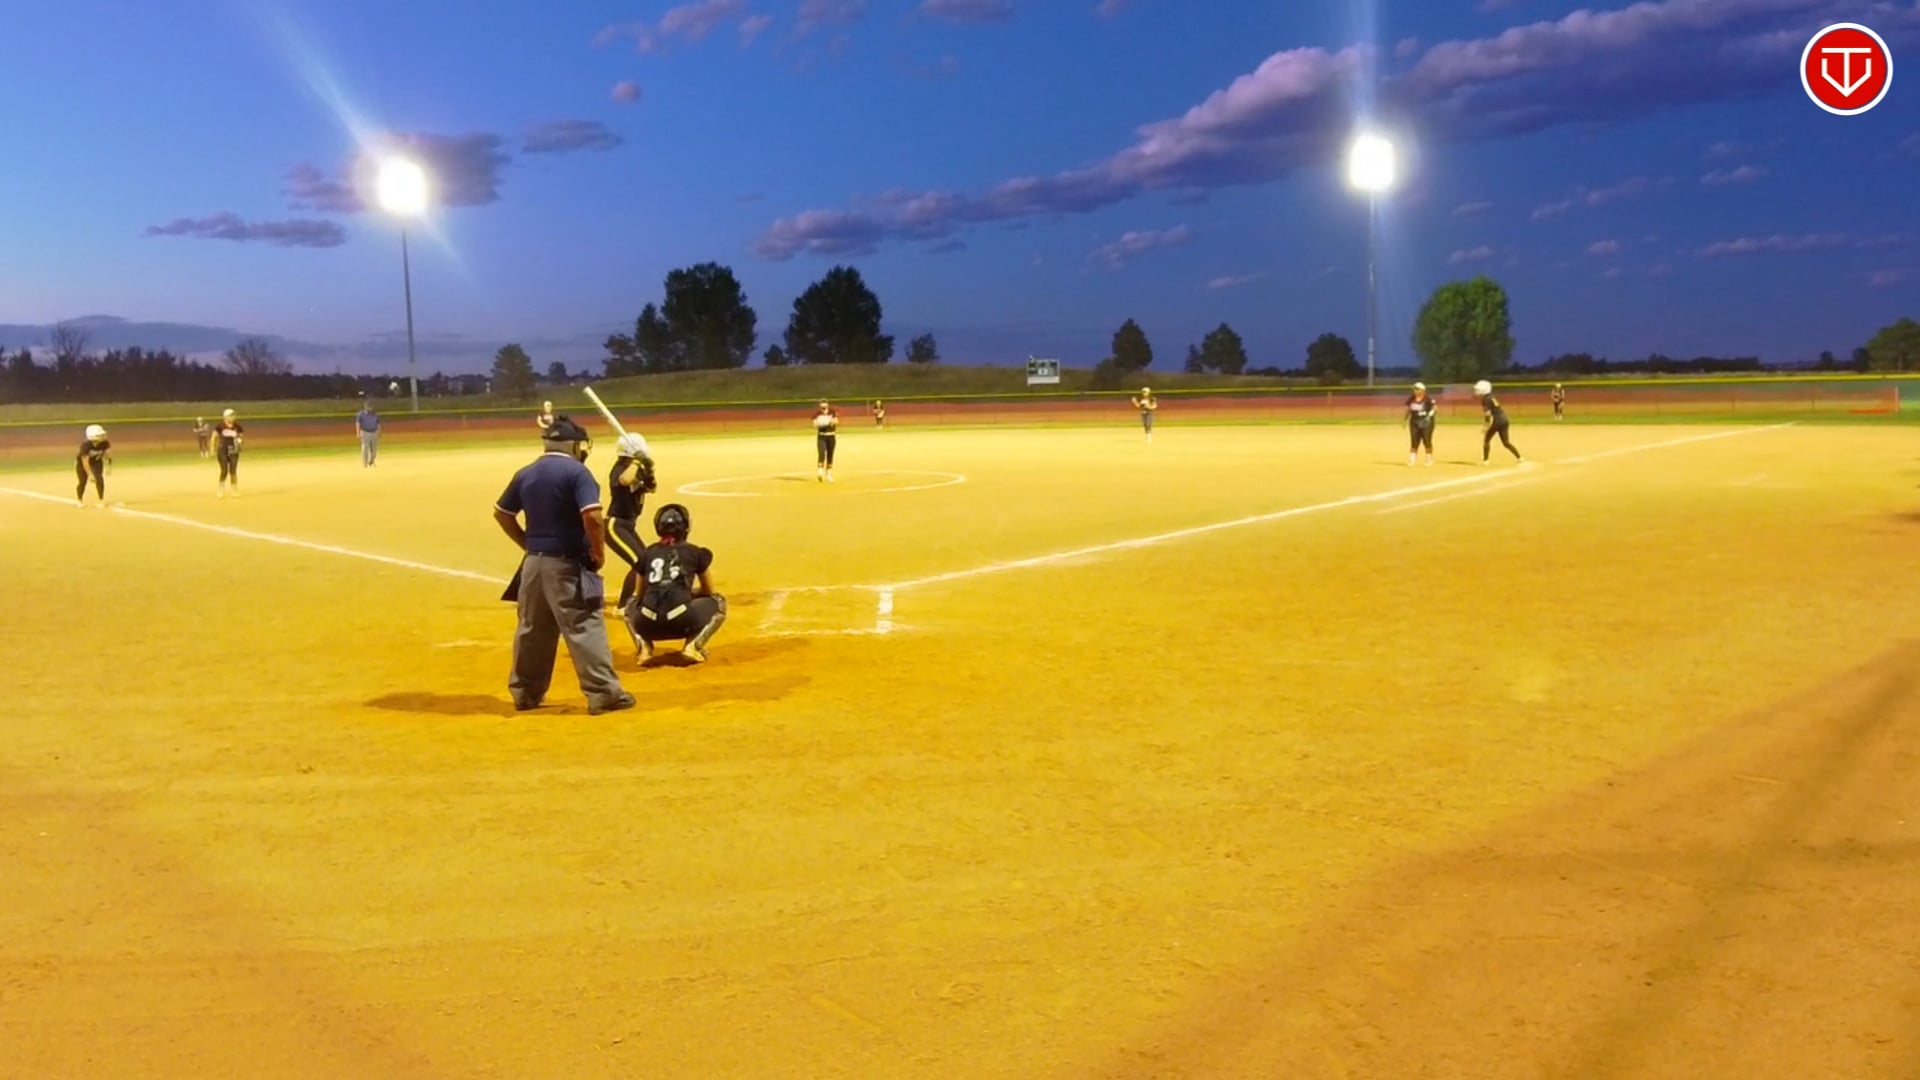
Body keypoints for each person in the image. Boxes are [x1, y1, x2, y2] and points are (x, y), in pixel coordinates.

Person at [492, 416, 635, 715]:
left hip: (532, 565)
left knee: (532, 629)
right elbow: (593, 516)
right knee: (584, 625)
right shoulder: (577, 473)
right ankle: (604, 693)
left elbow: (502, 513)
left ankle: (525, 693)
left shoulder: (526, 473)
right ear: (575, 445)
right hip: (568, 563)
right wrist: (598, 552)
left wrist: (528, 544)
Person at [623, 503, 726, 665]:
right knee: (719, 601)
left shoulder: (647, 553)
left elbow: (640, 594)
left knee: (630, 603)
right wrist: (687, 593)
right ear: (686, 527)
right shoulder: (695, 552)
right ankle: (693, 646)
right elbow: (708, 590)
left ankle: (644, 648)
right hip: (681, 622)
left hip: (647, 624)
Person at [604, 432, 657, 610]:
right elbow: (625, 480)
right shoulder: (620, 468)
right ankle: (623, 607)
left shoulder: (636, 469)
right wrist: (637, 462)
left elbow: (651, 488)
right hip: (615, 525)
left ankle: (640, 598)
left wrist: (649, 471)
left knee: (646, 561)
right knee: (639, 563)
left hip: (628, 525)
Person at [1473, 380, 1523, 465]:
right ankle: (1520, 457)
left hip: (1497, 420)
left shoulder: (1485, 399)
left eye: (1478, 390)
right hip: (1504, 419)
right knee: (1506, 442)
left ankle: (1485, 461)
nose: (1477, 391)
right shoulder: (1491, 396)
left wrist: (1486, 426)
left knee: (1487, 440)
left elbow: (1488, 414)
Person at [75, 424, 111, 507]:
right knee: (82, 482)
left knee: (99, 478)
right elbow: (85, 462)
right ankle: (79, 499)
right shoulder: (86, 446)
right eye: (99, 435)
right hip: (82, 464)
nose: (102, 437)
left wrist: (108, 466)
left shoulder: (104, 443)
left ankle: (101, 500)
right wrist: (90, 474)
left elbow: (106, 455)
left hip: (96, 462)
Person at [213, 408, 244, 496]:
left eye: (233, 415)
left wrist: (240, 442)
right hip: (222, 450)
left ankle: (234, 490)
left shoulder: (237, 426)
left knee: (233, 471)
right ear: (225, 417)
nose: (233, 417)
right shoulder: (220, 426)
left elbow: (241, 437)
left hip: (233, 450)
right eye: (230, 416)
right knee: (224, 470)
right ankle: (221, 489)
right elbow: (214, 437)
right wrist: (212, 448)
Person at [1405, 382, 1437, 466]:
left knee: (1426, 440)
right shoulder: (1411, 399)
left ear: (1422, 390)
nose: (1415, 391)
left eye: (1417, 389)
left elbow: (1434, 408)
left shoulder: (1428, 399)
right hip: (1414, 422)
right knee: (1414, 441)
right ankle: (1412, 460)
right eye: (1415, 389)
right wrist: (1405, 419)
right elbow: (1409, 409)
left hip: (1426, 422)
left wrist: (1429, 415)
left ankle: (1429, 460)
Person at [814, 401, 838, 482]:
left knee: (830, 455)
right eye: (822, 406)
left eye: (825, 405)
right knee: (821, 453)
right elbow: (815, 424)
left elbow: (836, 421)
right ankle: (820, 470)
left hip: (831, 436)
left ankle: (828, 475)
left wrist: (829, 422)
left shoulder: (832, 412)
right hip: (822, 436)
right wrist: (821, 423)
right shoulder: (817, 413)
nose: (823, 407)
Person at [356, 400, 380, 467]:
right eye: (368, 406)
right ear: (365, 406)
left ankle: (371, 460)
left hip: (374, 432)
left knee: (374, 449)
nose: (370, 408)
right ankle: (365, 463)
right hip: (365, 432)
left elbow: (378, 424)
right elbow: (357, 424)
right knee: (365, 448)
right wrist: (358, 433)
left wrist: (379, 432)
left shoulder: (375, 414)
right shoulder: (360, 414)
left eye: (371, 407)